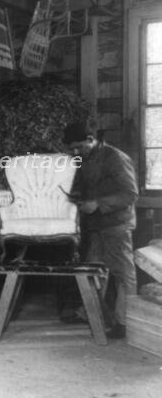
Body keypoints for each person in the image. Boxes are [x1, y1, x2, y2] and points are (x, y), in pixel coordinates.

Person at [61, 122, 138, 339]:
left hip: (117, 224)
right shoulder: (87, 158)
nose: (76, 153)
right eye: (72, 149)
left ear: (90, 139)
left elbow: (130, 194)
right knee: (93, 269)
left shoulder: (115, 158)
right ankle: (89, 313)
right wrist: (80, 197)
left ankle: (126, 323)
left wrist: (97, 203)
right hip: (97, 225)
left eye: (79, 147)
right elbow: (92, 188)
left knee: (123, 274)